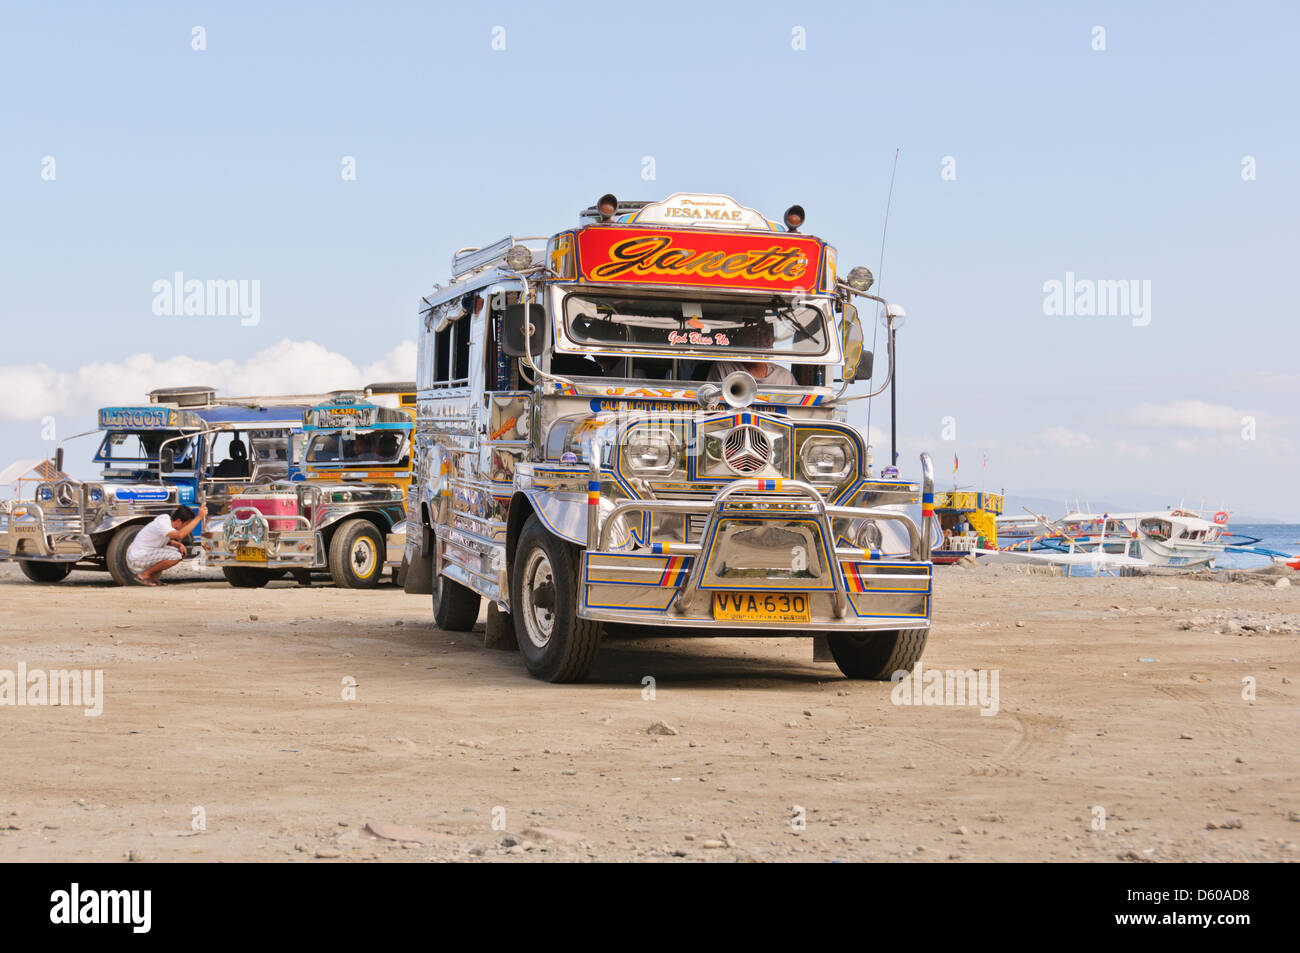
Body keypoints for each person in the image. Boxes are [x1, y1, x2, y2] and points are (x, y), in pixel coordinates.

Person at [127, 504, 206, 586]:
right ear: (178, 521)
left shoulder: (166, 521)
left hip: (142, 553)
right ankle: (143, 575)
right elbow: (180, 535)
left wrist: (179, 545)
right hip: (138, 556)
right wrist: (199, 517)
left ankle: (153, 578)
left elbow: (166, 541)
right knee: (176, 556)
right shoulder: (163, 523)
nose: (186, 527)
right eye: (186, 524)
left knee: (177, 551)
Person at [708, 321, 797, 386]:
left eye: (766, 335)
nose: (761, 341)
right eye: (755, 334)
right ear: (741, 338)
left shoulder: (785, 377)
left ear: (772, 342)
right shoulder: (724, 369)